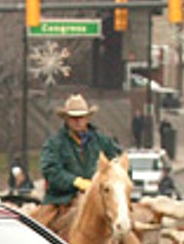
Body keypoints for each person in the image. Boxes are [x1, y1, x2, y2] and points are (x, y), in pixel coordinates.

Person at [37, 93, 121, 227]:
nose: (77, 121)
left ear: (87, 118)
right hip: (61, 200)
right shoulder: (54, 143)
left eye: (81, 117)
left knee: (130, 240)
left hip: (100, 200)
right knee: (38, 234)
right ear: (66, 119)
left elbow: (119, 162)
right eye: (73, 118)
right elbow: (51, 170)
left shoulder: (103, 141)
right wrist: (75, 182)